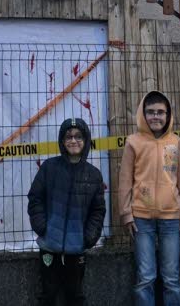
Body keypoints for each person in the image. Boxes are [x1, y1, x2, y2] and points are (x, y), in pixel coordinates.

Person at [116, 91, 180, 306]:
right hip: (141, 219)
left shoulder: (177, 143)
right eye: (150, 112)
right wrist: (126, 214)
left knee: (171, 279)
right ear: (143, 114)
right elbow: (124, 181)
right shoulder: (133, 142)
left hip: (172, 219)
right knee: (145, 277)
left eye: (161, 112)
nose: (156, 117)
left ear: (168, 115)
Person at [27, 117, 107, 305]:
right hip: (49, 247)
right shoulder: (49, 168)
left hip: (77, 248)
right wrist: (42, 227)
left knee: (75, 296)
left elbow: (98, 211)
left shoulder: (93, 175)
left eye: (78, 136)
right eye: (68, 136)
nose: (73, 141)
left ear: (86, 140)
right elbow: (35, 198)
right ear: (62, 141)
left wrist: (89, 237)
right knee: (48, 295)